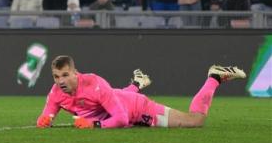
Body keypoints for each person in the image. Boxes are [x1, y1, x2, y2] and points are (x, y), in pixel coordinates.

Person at [37, 55, 247, 129]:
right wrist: (45, 120)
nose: (60, 81)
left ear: (75, 73)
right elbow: (47, 114)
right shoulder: (56, 92)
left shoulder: (95, 84)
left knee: (195, 121)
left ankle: (214, 77)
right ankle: (137, 82)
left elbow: (121, 118)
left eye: (65, 75)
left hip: (137, 109)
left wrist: (94, 125)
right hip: (119, 99)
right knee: (116, 95)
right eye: (56, 76)